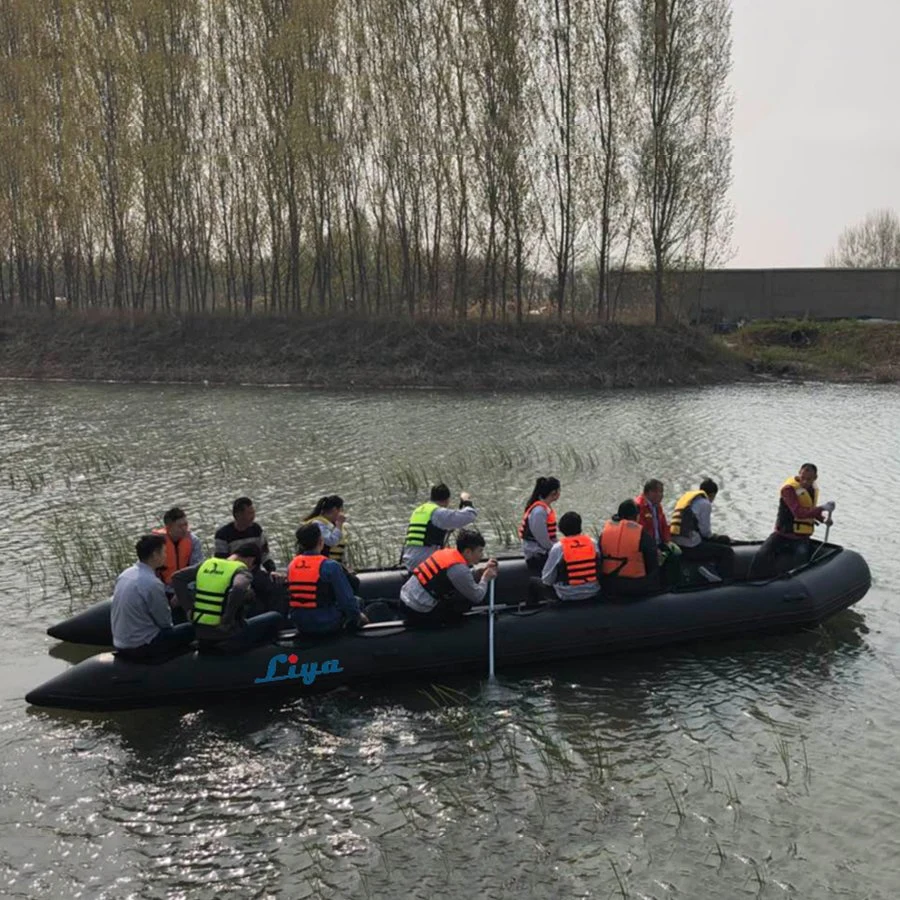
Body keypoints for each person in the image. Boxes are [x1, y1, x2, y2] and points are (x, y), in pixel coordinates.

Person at [173, 544, 284, 653]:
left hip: (201, 634)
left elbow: (177, 577)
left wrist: (188, 609)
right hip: (228, 636)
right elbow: (238, 588)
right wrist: (227, 619)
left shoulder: (207, 564)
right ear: (251, 560)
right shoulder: (242, 570)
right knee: (275, 617)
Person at [110, 534, 195, 660]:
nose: (166, 555)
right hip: (142, 646)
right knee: (193, 628)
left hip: (120, 643)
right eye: (164, 552)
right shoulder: (152, 583)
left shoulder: (125, 574)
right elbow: (165, 622)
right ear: (155, 554)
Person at [748, 463, 835, 579]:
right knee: (762, 555)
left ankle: (795, 584)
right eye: (802, 477)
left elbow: (810, 508)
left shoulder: (812, 489)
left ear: (815, 478)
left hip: (801, 536)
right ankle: (751, 580)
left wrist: (824, 519)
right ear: (799, 473)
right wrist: (822, 508)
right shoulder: (789, 489)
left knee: (801, 561)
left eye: (808, 479)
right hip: (783, 533)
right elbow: (798, 512)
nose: (804, 481)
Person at [400, 529, 499, 626]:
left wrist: (480, 572)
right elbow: (477, 596)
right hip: (418, 610)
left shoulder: (447, 554)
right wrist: (485, 578)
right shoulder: (458, 569)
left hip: (404, 600)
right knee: (464, 603)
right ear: (468, 552)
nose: (481, 555)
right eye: (480, 551)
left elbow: (461, 576)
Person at [287, 523, 367, 635]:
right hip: (325, 623)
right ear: (321, 541)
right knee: (358, 601)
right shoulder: (330, 566)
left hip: (300, 624)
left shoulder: (291, 565)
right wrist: (359, 616)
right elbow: (347, 601)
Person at [401, 483, 479, 570]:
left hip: (409, 561)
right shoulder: (438, 513)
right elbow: (470, 515)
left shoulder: (417, 511)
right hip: (426, 564)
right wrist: (466, 500)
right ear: (447, 500)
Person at [670, 479, 735, 581]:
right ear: (712, 494)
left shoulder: (689, 501)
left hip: (676, 544)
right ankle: (720, 578)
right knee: (726, 551)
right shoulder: (705, 503)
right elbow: (706, 533)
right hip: (690, 547)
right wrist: (717, 537)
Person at [599, 500, 660, 597]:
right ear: (636, 516)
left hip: (608, 585)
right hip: (635, 586)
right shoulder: (641, 534)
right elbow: (652, 564)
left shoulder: (604, 533)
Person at [540, 512, 601, 602]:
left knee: (534, 582)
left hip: (567, 594)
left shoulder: (558, 547)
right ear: (580, 527)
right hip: (593, 591)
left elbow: (547, 580)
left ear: (561, 529)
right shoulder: (592, 543)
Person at [304, 494, 360, 592]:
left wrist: (345, 567)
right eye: (341, 510)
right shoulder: (318, 524)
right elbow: (331, 541)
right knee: (352, 583)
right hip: (322, 565)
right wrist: (339, 525)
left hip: (334, 565)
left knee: (353, 582)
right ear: (335, 510)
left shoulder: (331, 525)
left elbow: (340, 548)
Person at [635, 479, 680, 586]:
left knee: (675, 555)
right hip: (647, 546)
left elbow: (664, 526)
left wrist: (668, 542)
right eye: (659, 492)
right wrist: (654, 549)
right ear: (650, 492)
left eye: (662, 492)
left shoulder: (657, 507)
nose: (662, 495)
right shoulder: (639, 507)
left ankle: (673, 585)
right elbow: (641, 532)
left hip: (658, 543)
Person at [215, 496, 276, 572]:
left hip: (255, 572)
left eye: (253, 512)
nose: (253, 517)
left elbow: (265, 556)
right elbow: (221, 562)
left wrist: (272, 571)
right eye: (250, 513)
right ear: (238, 515)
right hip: (233, 573)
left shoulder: (257, 530)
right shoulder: (223, 534)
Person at [151, 506, 203, 586]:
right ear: (169, 527)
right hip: (162, 587)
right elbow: (149, 569)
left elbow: (196, 568)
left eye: (186, 524)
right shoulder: (155, 543)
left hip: (186, 586)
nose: (184, 529)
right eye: (180, 526)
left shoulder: (194, 541)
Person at [520, 476, 561, 572]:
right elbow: (543, 540)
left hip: (543, 552)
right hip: (537, 555)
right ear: (554, 493)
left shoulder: (544, 508)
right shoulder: (539, 512)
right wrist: (556, 550)